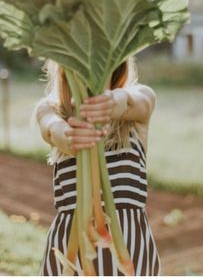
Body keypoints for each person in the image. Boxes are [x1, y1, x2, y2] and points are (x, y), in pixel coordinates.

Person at [35, 58, 161, 275]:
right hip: (71, 254)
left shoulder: (138, 103)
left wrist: (111, 101)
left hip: (131, 252)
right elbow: (51, 128)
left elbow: (132, 102)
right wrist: (70, 136)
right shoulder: (52, 109)